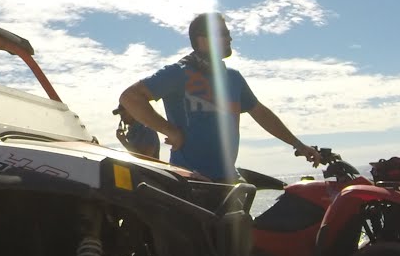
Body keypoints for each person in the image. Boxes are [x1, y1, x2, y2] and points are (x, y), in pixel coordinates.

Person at [118, 12, 322, 182]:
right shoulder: (179, 72)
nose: (230, 38)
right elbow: (130, 97)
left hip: (227, 180)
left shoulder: (233, 78)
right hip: (191, 181)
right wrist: (169, 130)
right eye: (223, 34)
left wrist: (298, 145)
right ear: (203, 39)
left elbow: (260, 113)